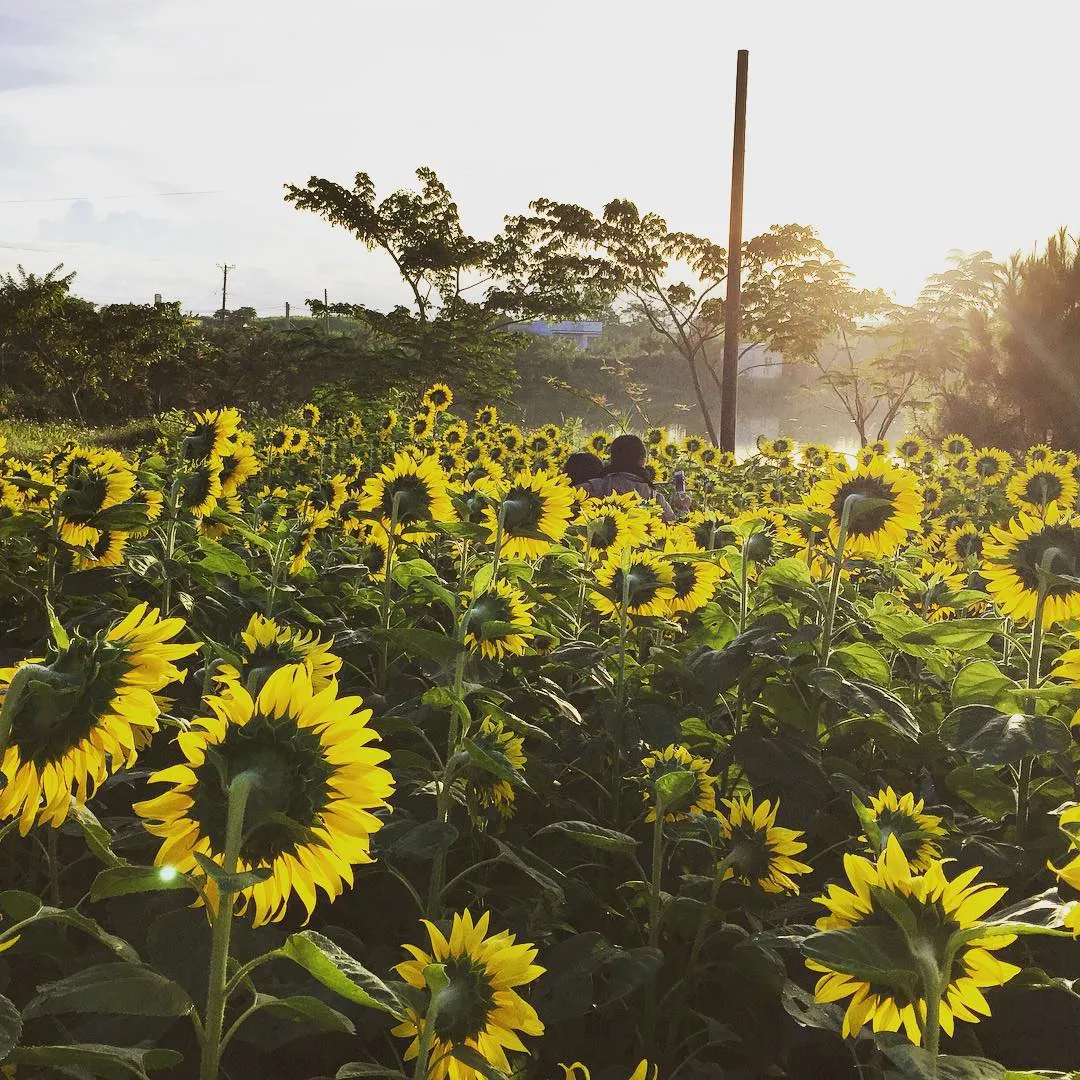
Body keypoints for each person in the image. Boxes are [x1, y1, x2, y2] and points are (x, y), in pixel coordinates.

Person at [582, 434, 679, 521]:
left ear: (612, 458)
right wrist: (683, 508)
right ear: (643, 461)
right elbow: (674, 528)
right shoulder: (654, 497)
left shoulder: (593, 487)